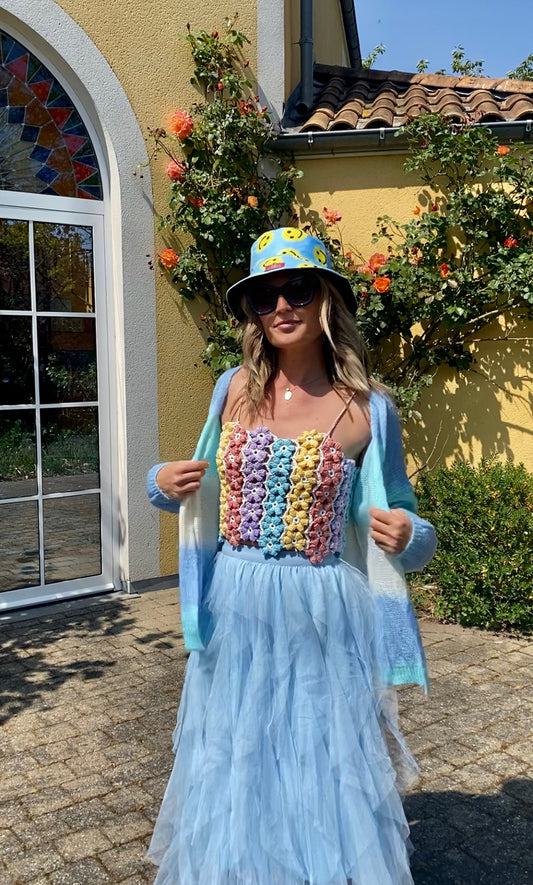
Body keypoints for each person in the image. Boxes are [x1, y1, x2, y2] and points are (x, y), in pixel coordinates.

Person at [146, 227, 437, 885]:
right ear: (251, 312)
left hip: (319, 605)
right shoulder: (231, 389)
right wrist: (159, 482)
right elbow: (198, 487)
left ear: (326, 297)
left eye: (297, 288)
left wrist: (409, 534)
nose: (281, 306)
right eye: (263, 296)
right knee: (238, 745)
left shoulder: (369, 409)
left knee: (318, 744)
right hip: (236, 597)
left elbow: (403, 513)